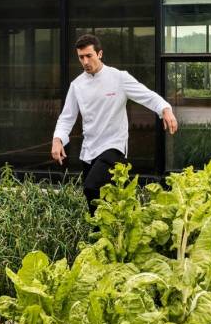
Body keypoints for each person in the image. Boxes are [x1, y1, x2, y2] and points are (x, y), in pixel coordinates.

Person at [51, 34, 178, 215]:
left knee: (91, 187)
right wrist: (58, 139)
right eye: (81, 57)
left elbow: (147, 95)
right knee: (93, 200)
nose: (85, 61)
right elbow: (67, 117)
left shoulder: (119, 78)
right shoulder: (77, 85)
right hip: (90, 149)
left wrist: (165, 109)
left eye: (89, 56)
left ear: (100, 54)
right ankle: (104, 236)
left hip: (114, 146)